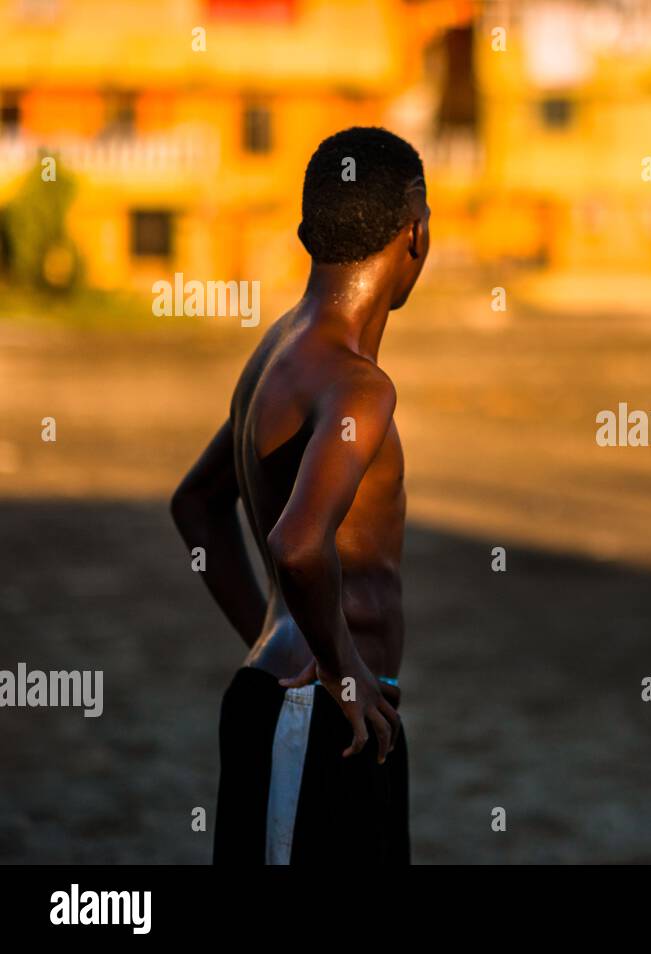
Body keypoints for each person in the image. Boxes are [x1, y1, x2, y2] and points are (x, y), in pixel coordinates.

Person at [170, 127, 429, 864]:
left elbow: (196, 505)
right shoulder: (358, 384)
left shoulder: (280, 350)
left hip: (310, 702)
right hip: (323, 722)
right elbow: (297, 541)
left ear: (305, 234)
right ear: (417, 235)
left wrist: (275, 643)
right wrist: (340, 669)